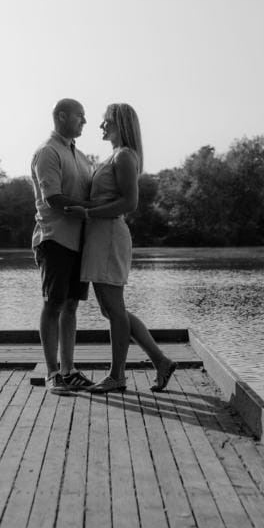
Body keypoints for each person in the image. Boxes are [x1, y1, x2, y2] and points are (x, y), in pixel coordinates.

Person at [64, 103, 178, 394]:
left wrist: (88, 213)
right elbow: (104, 199)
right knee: (112, 309)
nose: (100, 126)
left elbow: (130, 203)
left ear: (119, 125)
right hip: (99, 236)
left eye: (105, 122)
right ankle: (161, 361)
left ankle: (117, 376)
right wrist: (81, 207)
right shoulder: (112, 157)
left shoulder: (125, 156)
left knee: (114, 310)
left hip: (109, 236)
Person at [31, 99, 96, 395]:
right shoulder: (48, 152)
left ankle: (69, 370)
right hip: (54, 239)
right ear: (61, 116)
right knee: (53, 304)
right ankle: (52, 373)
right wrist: (92, 207)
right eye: (80, 116)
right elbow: (53, 198)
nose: (84, 121)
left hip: (78, 242)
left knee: (71, 306)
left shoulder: (82, 157)